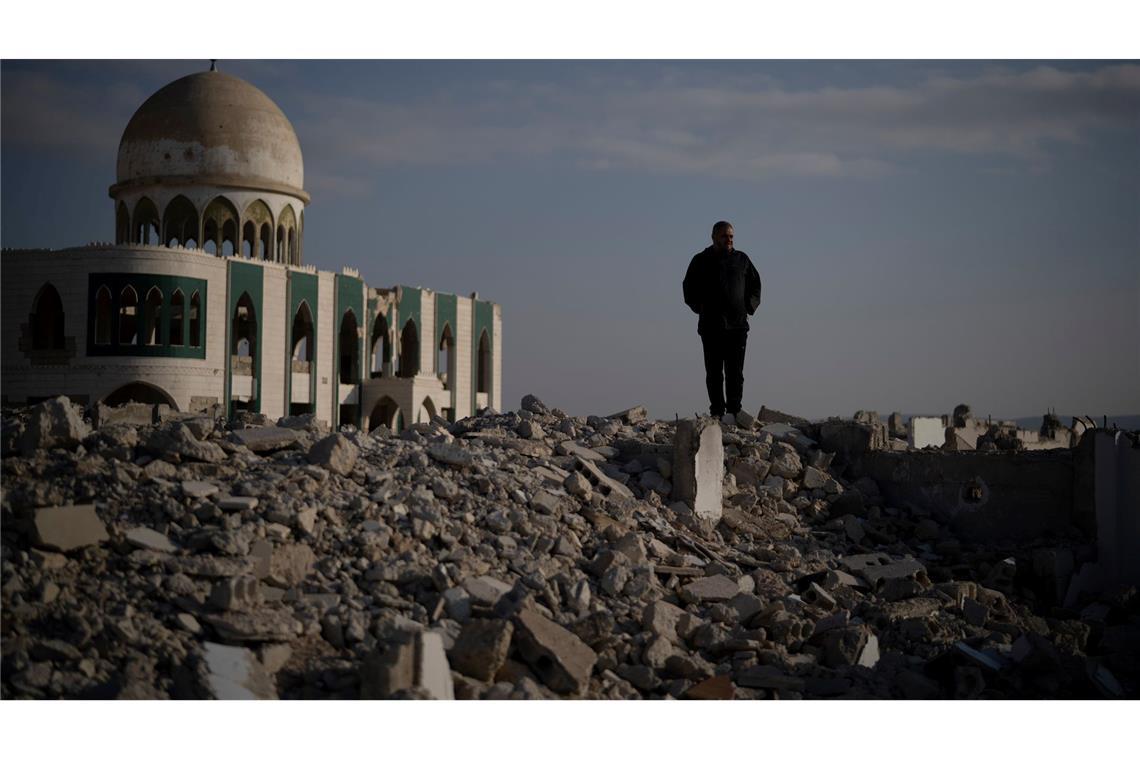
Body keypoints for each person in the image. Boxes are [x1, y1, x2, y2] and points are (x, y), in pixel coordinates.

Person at [682, 221, 762, 423]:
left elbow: (755, 285)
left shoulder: (741, 259)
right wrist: (701, 308)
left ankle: (734, 411)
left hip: (737, 327)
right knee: (714, 373)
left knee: (735, 372)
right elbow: (688, 288)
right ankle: (717, 412)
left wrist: (749, 307)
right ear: (714, 237)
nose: (729, 240)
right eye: (725, 236)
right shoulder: (700, 260)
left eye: (731, 237)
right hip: (711, 327)